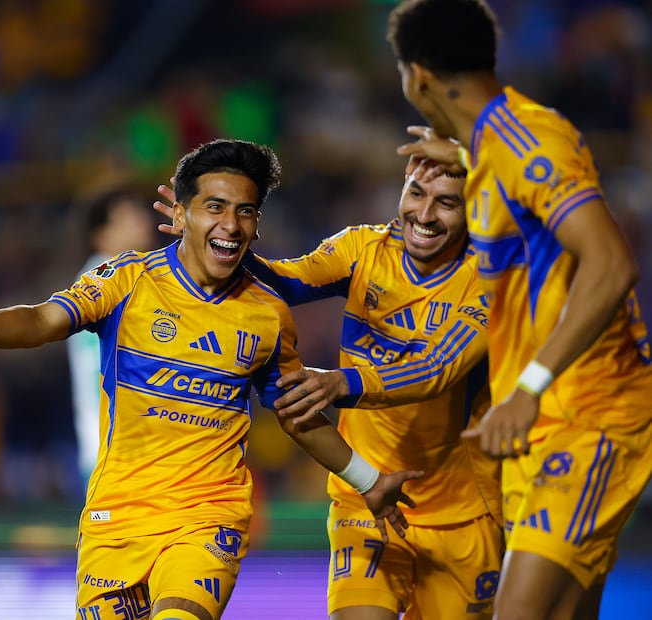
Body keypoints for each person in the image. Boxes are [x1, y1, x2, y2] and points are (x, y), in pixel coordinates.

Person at [0, 139, 422, 620]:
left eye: (246, 210)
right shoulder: (128, 280)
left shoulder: (267, 314)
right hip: (118, 514)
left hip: (206, 516)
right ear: (180, 215)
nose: (232, 224)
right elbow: (44, 319)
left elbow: (296, 415)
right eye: (215, 207)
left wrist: (367, 480)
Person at [387, 1, 652, 618]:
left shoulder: (527, 139)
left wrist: (530, 386)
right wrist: (467, 158)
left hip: (589, 414)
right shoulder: (494, 150)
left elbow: (611, 264)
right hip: (544, 426)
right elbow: (523, 187)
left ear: (417, 75)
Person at [155, 156, 503, 619]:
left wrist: (342, 382)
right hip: (367, 501)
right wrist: (213, 237)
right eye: (416, 194)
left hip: (463, 513)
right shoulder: (362, 249)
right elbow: (285, 277)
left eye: (447, 203)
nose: (424, 214)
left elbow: (436, 368)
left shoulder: (488, 280)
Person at [67, 186, 156, 487]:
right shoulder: (101, 281)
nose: (142, 220)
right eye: (128, 216)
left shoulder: (130, 277)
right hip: (117, 453)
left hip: (123, 452)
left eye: (140, 212)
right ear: (101, 235)